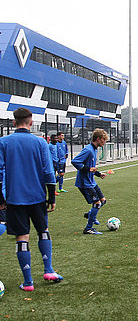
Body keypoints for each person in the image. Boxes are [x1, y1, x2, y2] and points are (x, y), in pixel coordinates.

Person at [0, 107, 63, 291]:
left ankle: (28, 283)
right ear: (31, 121)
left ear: (13, 122)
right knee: (43, 230)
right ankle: (48, 270)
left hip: (14, 198)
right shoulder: (40, 142)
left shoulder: (3, 142)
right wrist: (51, 196)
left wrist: (0, 198)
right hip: (37, 197)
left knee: (22, 237)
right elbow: (48, 172)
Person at [71, 129, 109, 235]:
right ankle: (88, 228)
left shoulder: (95, 149)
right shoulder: (88, 150)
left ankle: (90, 215)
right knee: (97, 204)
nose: (104, 142)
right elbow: (75, 161)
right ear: (98, 139)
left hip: (91, 181)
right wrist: (88, 169)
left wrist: (98, 174)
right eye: (104, 140)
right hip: (85, 183)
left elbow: (91, 167)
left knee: (103, 201)